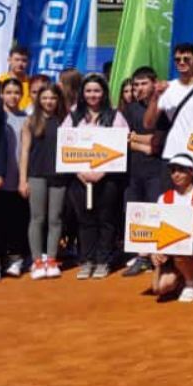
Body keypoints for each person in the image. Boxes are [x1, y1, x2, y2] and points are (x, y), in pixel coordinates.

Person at [67, 73, 130, 280]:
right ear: (82, 93)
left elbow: (121, 145)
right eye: (88, 91)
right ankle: (87, 260)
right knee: (85, 220)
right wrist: (81, 173)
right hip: (80, 179)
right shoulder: (74, 116)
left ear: (103, 93)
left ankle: (103, 260)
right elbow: (64, 145)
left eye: (96, 91)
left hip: (107, 179)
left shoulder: (115, 116)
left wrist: (101, 173)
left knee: (106, 220)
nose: (92, 95)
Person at [119, 66, 165, 277]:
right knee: (136, 212)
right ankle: (142, 257)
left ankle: (157, 256)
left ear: (154, 84)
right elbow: (123, 138)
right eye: (136, 84)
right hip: (134, 170)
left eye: (144, 83)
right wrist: (144, 145)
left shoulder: (163, 108)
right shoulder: (130, 109)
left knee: (155, 211)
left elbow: (158, 142)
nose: (139, 88)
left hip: (157, 170)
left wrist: (138, 139)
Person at [20, 84, 68, 280]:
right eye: (45, 98)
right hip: (36, 175)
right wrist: (22, 180)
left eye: (53, 98)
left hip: (59, 176)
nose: (49, 102)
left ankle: (52, 259)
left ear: (58, 100)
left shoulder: (65, 122)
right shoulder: (30, 121)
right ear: (39, 100)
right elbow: (24, 152)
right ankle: (37, 260)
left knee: (55, 218)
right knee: (37, 218)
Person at [145, 43, 193, 165]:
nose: (181, 62)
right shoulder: (167, 88)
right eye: (177, 60)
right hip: (172, 152)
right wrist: (155, 97)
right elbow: (148, 124)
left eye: (186, 59)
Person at [149, 154, 193, 303]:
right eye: (173, 171)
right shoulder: (164, 198)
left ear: (191, 172)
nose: (176, 174)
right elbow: (157, 228)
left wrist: (172, 245)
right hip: (172, 248)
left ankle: (191, 284)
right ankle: (184, 277)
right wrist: (156, 252)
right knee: (159, 288)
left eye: (181, 170)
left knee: (181, 250)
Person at [0, 78, 29, 281]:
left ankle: (15, 258)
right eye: (9, 92)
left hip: (18, 179)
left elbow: (27, 151)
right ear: (1, 94)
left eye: (16, 92)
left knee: (17, 221)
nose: (13, 96)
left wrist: (24, 179)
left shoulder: (26, 118)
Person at [0, 45, 32, 111]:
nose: (20, 64)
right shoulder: (0, 82)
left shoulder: (32, 84)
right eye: (17, 60)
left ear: (28, 62)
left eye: (24, 60)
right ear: (9, 60)